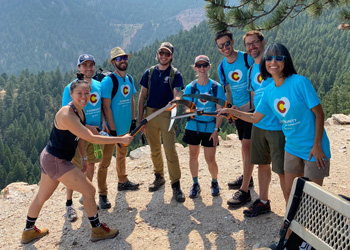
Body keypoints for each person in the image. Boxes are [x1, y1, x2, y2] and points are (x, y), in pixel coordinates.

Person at [21, 74, 133, 244]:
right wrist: (120, 139)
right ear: (71, 94)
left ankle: (28, 232)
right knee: (89, 191)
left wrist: (83, 157)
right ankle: (96, 230)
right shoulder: (66, 113)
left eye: (87, 93)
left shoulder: (78, 110)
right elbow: (91, 138)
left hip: (50, 157)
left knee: (42, 196)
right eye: (79, 93)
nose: (84, 97)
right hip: (57, 161)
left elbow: (79, 135)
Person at [217, 43, 331, 205]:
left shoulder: (300, 82)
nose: (273, 62)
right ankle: (292, 229)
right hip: (291, 148)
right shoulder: (270, 90)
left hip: (313, 149)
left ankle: (318, 228)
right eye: (269, 58)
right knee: (292, 196)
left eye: (279, 58)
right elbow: (255, 118)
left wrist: (318, 145)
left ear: (286, 61)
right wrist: (233, 112)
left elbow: (319, 113)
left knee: (312, 200)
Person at [241, 31, 287, 217]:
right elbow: (254, 99)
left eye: (255, 43)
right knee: (262, 163)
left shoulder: (273, 65)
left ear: (263, 42)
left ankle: (290, 211)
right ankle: (263, 201)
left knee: (283, 170)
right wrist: (239, 111)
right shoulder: (252, 70)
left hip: (277, 125)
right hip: (259, 124)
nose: (252, 47)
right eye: (248, 44)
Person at [138, 42, 185, 202]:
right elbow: (142, 96)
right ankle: (159, 176)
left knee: (170, 150)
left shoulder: (175, 74)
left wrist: (175, 101)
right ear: (158, 54)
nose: (163, 56)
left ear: (171, 56)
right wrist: (140, 119)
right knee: (154, 149)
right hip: (150, 114)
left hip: (166, 113)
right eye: (161, 53)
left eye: (167, 54)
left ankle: (176, 185)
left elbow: (178, 95)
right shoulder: (150, 72)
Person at [215, 29, 255, 208]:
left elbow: (256, 82)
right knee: (243, 144)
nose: (225, 48)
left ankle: (245, 190)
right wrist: (230, 109)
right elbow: (228, 90)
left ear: (232, 41)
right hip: (237, 111)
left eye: (227, 43)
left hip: (252, 110)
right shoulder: (222, 66)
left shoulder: (246, 59)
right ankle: (248, 176)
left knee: (247, 145)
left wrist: (253, 108)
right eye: (221, 46)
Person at [62, 54, 104, 220]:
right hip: (77, 134)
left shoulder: (99, 85)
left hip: (94, 135)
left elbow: (100, 107)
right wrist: (88, 128)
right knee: (74, 170)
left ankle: (86, 195)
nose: (88, 68)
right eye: (84, 65)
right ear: (78, 68)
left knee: (91, 165)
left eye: (91, 65)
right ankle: (69, 204)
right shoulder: (70, 88)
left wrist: (102, 123)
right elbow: (68, 116)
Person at [97, 47, 139, 209]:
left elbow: (132, 100)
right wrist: (112, 130)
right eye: (119, 59)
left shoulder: (129, 79)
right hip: (110, 130)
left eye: (124, 58)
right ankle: (102, 194)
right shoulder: (109, 81)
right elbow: (106, 107)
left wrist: (133, 120)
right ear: (114, 62)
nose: (123, 61)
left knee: (122, 155)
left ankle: (122, 181)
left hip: (125, 127)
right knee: (105, 163)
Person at [183, 55, 225, 198]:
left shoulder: (216, 87)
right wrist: (191, 110)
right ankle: (195, 184)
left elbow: (220, 111)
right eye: (199, 66)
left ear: (209, 67)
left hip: (209, 127)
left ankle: (214, 181)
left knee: (210, 159)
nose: (202, 68)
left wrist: (216, 130)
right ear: (195, 68)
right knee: (193, 156)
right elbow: (187, 110)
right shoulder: (191, 88)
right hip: (193, 126)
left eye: (204, 65)